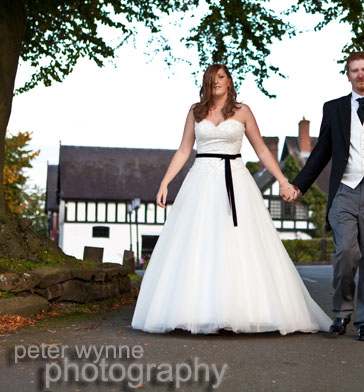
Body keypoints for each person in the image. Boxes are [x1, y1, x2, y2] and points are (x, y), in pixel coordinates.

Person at [131, 64, 331, 335]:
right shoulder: (195, 111)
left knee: (238, 243)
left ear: (229, 82)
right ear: (206, 82)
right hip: (200, 181)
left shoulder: (243, 111)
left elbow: (260, 148)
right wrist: (165, 182)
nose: (217, 82)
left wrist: (283, 181)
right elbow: (183, 150)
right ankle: (196, 311)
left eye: (222, 77)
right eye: (212, 78)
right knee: (199, 243)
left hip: (234, 180)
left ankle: (243, 310)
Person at [289, 52, 364, 341]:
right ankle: (342, 313)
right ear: (347, 75)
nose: (360, 74)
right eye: (354, 70)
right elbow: (321, 153)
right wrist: (299, 185)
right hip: (344, 191)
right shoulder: (333, 109)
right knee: (346, 252)